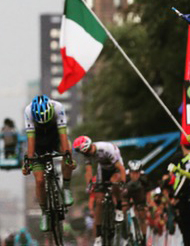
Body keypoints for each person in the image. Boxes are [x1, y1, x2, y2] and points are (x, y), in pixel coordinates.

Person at [21, 95, 76, 232]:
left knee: (67, 153)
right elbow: (31, 143)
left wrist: (68, 158)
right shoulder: (28, 112)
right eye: (41, 123)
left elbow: (63, 136)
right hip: (38, 145)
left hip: (55, 140)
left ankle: (66, 187)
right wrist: (28, 163)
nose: (44, 124)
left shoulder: (58, 108)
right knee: (39, 180)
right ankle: (44, 212)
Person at [73, 135, 126, 246]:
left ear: (89, 147)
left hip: (115, 166)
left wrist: (123, 183)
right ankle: (98, 236)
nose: (86, 155)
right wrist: (89, 185)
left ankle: (119, 208)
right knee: (99, 201)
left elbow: (121, 168)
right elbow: (88, 171)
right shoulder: (87, 154)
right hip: (103, 169)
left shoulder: (105, 149)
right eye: (84, 153)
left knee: (115, 183)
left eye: (87, 152)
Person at [122, 159, 151, 242]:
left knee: (142, 214)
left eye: (137, 173)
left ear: (140, 172)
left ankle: (144, 238)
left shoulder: (144, 178)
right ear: (129, 172)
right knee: (123, 208)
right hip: (127, 193)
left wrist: (148, 205)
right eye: (133, 173)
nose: (135, 175)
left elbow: (148, 192)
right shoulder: (125, 177)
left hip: (139, 194)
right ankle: (124, 226)